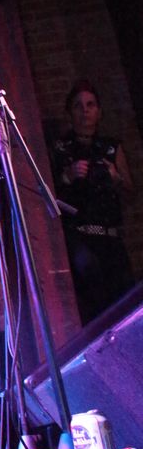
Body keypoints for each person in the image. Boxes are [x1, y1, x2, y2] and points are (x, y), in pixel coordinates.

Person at [51, 79, 136, 324]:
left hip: (112, 241)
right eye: (78, 106)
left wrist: (116, 178)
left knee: (124, 308)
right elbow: (47, 197)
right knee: (94, 311)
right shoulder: (60, 149)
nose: (85, 111)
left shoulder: (111, 148)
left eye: (90, 105)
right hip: (81, 242)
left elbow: (130, 194)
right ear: (69, 112)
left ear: (99, 111)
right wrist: (67, 176)